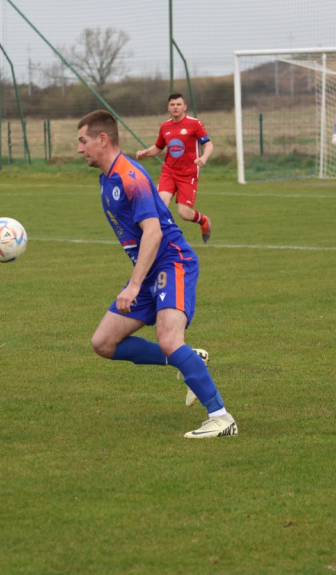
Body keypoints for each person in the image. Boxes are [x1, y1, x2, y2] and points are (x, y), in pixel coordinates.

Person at [77, 110, 237, 439]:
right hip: (150, 268)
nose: (80, 149)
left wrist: (134, 284)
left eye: (83, 141)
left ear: (102, 139)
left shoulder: (129, 176)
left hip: (171, 261)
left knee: (168, 339)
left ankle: (221, 417)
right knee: (103, 343)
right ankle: (190, 360)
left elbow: (154, 232)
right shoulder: (107, 178)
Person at [135, 93, 214, 243]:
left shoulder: (195, 123)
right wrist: (146, 152)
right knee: (161, 204)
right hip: (169, 171)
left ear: (184, 107)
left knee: (184, 213)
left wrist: (204, 158)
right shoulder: (165, 126)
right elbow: (158, 147)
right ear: (168, 108)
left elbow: (208, 144)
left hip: (188, 174)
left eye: (178, 104)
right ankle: (163, 238)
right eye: (172, 105)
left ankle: (203, 221)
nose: (175, 107)